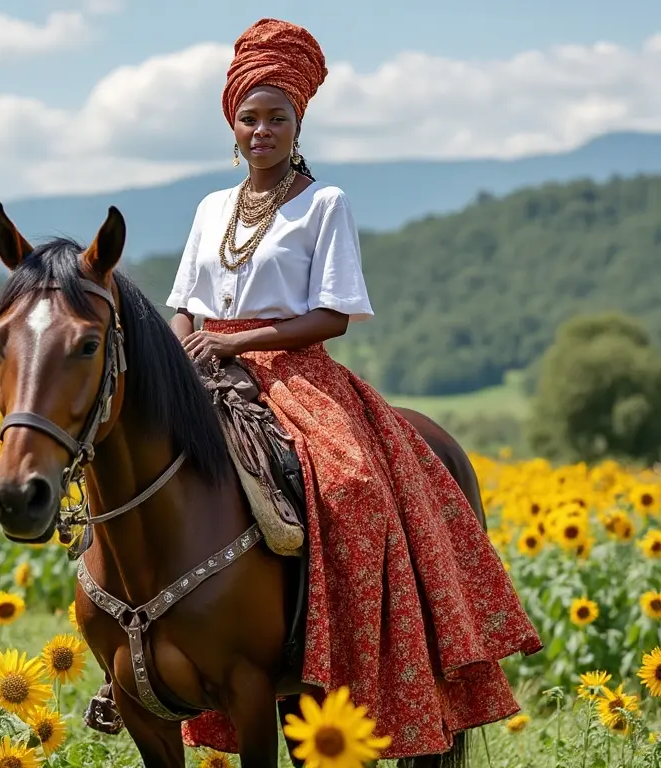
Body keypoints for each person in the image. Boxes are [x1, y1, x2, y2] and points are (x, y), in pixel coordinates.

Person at [163, 17, 543, 760]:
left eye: (277, 117)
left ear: (297, 122)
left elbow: (333, 315)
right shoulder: (211, 209)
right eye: (249, 118)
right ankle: (137, 660)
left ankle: (335, 657)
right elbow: (183, 302)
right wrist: (186, 353)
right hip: (202, 368)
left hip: (294, 373)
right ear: (232, 127)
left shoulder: (324, 204)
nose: (261, 130)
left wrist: (238, 340)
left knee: (352, 486)